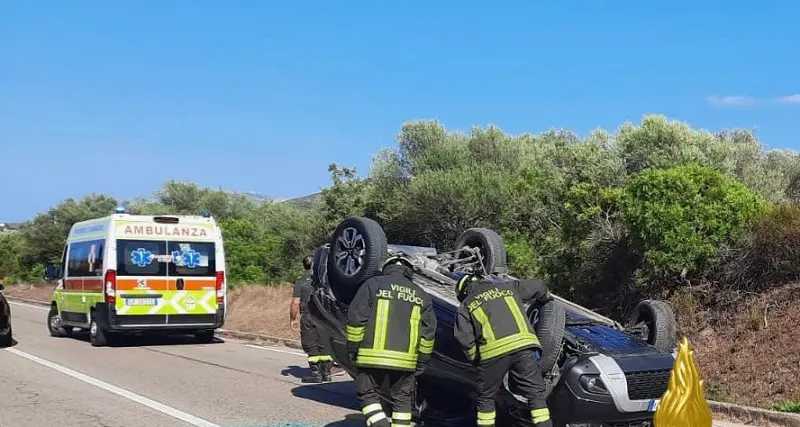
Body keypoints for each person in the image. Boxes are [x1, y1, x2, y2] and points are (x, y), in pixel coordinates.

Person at [453, 273, 555, 427]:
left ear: (464, 291)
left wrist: (475, 359)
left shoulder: (466, 305)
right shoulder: (507, 287)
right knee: (535, 393)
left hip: (493, 354)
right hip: (523, 347)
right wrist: (545, 299)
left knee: (486, 397)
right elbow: (538, 286)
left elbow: (465, 339)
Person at [345, 257, 437, 427]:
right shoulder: (421, 294)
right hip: (406, 363)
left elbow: (356, 320)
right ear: (409, 272)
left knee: (367, 394)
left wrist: (353, 349)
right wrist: (422, 360)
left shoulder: (372, 285)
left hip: (370, 358)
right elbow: (428, 334)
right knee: (402, 400)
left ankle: (380, 424)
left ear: (386, 268)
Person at [291, 255, 339, 383]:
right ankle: (327, 374)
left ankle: (315, 374)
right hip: (324, 315)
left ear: (304, 265)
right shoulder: (325, 279)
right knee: (325, 344)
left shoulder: (301, 281)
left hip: (309, 315)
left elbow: (295, 302)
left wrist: (293, 319)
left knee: (311, 344)